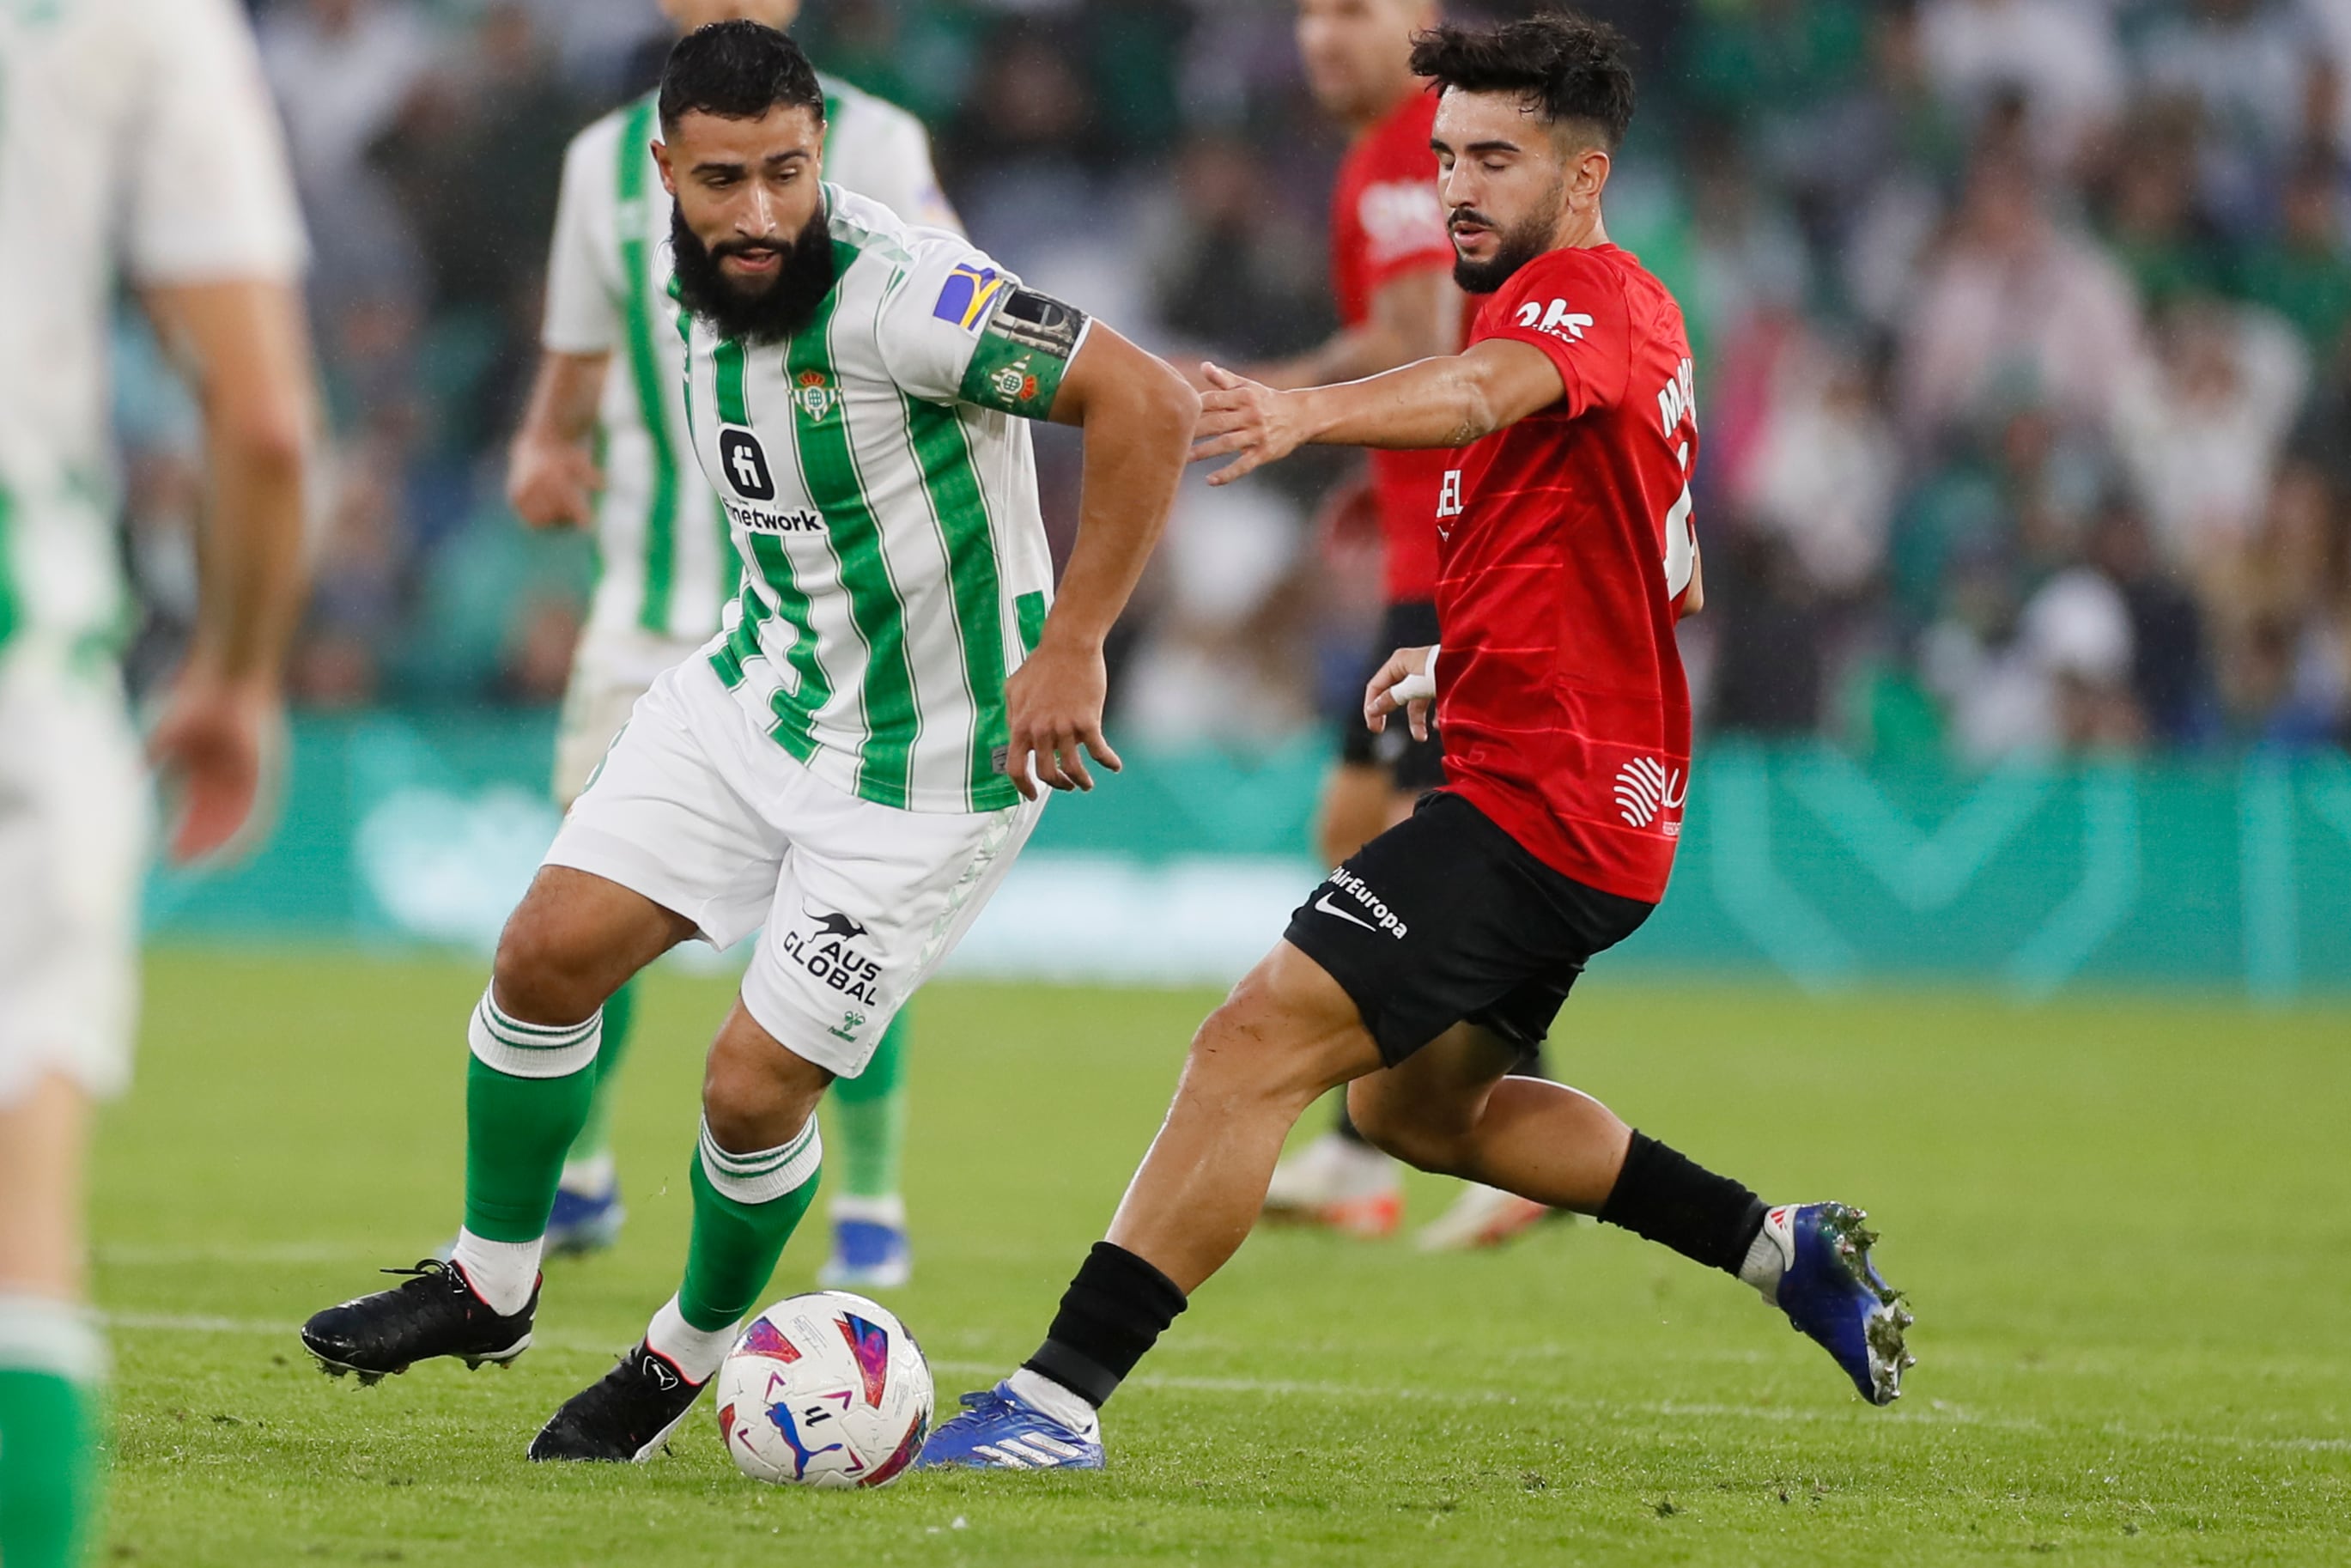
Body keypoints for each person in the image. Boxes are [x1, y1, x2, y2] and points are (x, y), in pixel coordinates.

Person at [919, 13, 1912, 1473]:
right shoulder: (1573, 319)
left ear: (1582, 179)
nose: (1457, 185)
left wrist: (1298, 413)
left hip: (1540, 805)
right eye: (1446, 154)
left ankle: (1052, 1401)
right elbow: (1640, 562)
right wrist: (1468, 655)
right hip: (1576, 796)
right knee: (1411, 1109)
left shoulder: (1584, 299)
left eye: (1494, 159)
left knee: (1247, 1043)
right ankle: (1779, 1247)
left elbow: (1470, 391)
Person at [300, 21, 1196, 1464]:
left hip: (928, 771)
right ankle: (490, 1280)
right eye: (723, 180)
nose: (760, 209)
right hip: (750, 694)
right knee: (541, 955)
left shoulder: (911, 293)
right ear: (668, 172)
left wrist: (1075, 639)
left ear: (820, 154)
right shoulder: (681, 275)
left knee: (746, 1086)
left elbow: (1145, 399)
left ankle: (678, 1360)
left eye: (786, 171)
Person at [504, 0, 959, 1285]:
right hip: (657, 594)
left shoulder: (880, 138)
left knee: (852, 899)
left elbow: (966, 317)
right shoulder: (599, 163)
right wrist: (545, 443)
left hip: (843, 608)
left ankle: (869, 1198)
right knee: (586, 881)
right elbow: (577, 356)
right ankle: (575, 1179)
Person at [0, 0, 315, 1559]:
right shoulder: (149, 24)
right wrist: (237, 673)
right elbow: (260, 419)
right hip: (18, 661)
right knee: (19, 1219)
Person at [1254, 0, 1558, 1253]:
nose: (1320, 38)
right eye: (1306, 14)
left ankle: (1496, 1133)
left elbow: (1412, 338)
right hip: (1417, 538)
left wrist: (1267, 402)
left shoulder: (1408, 156)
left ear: (1420, 21)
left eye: (1350, 10)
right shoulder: (1394, 155)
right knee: (1352, 822)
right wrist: (1354, 470)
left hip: (1454, 558)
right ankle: (1352, 1153)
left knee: (1433, 843)